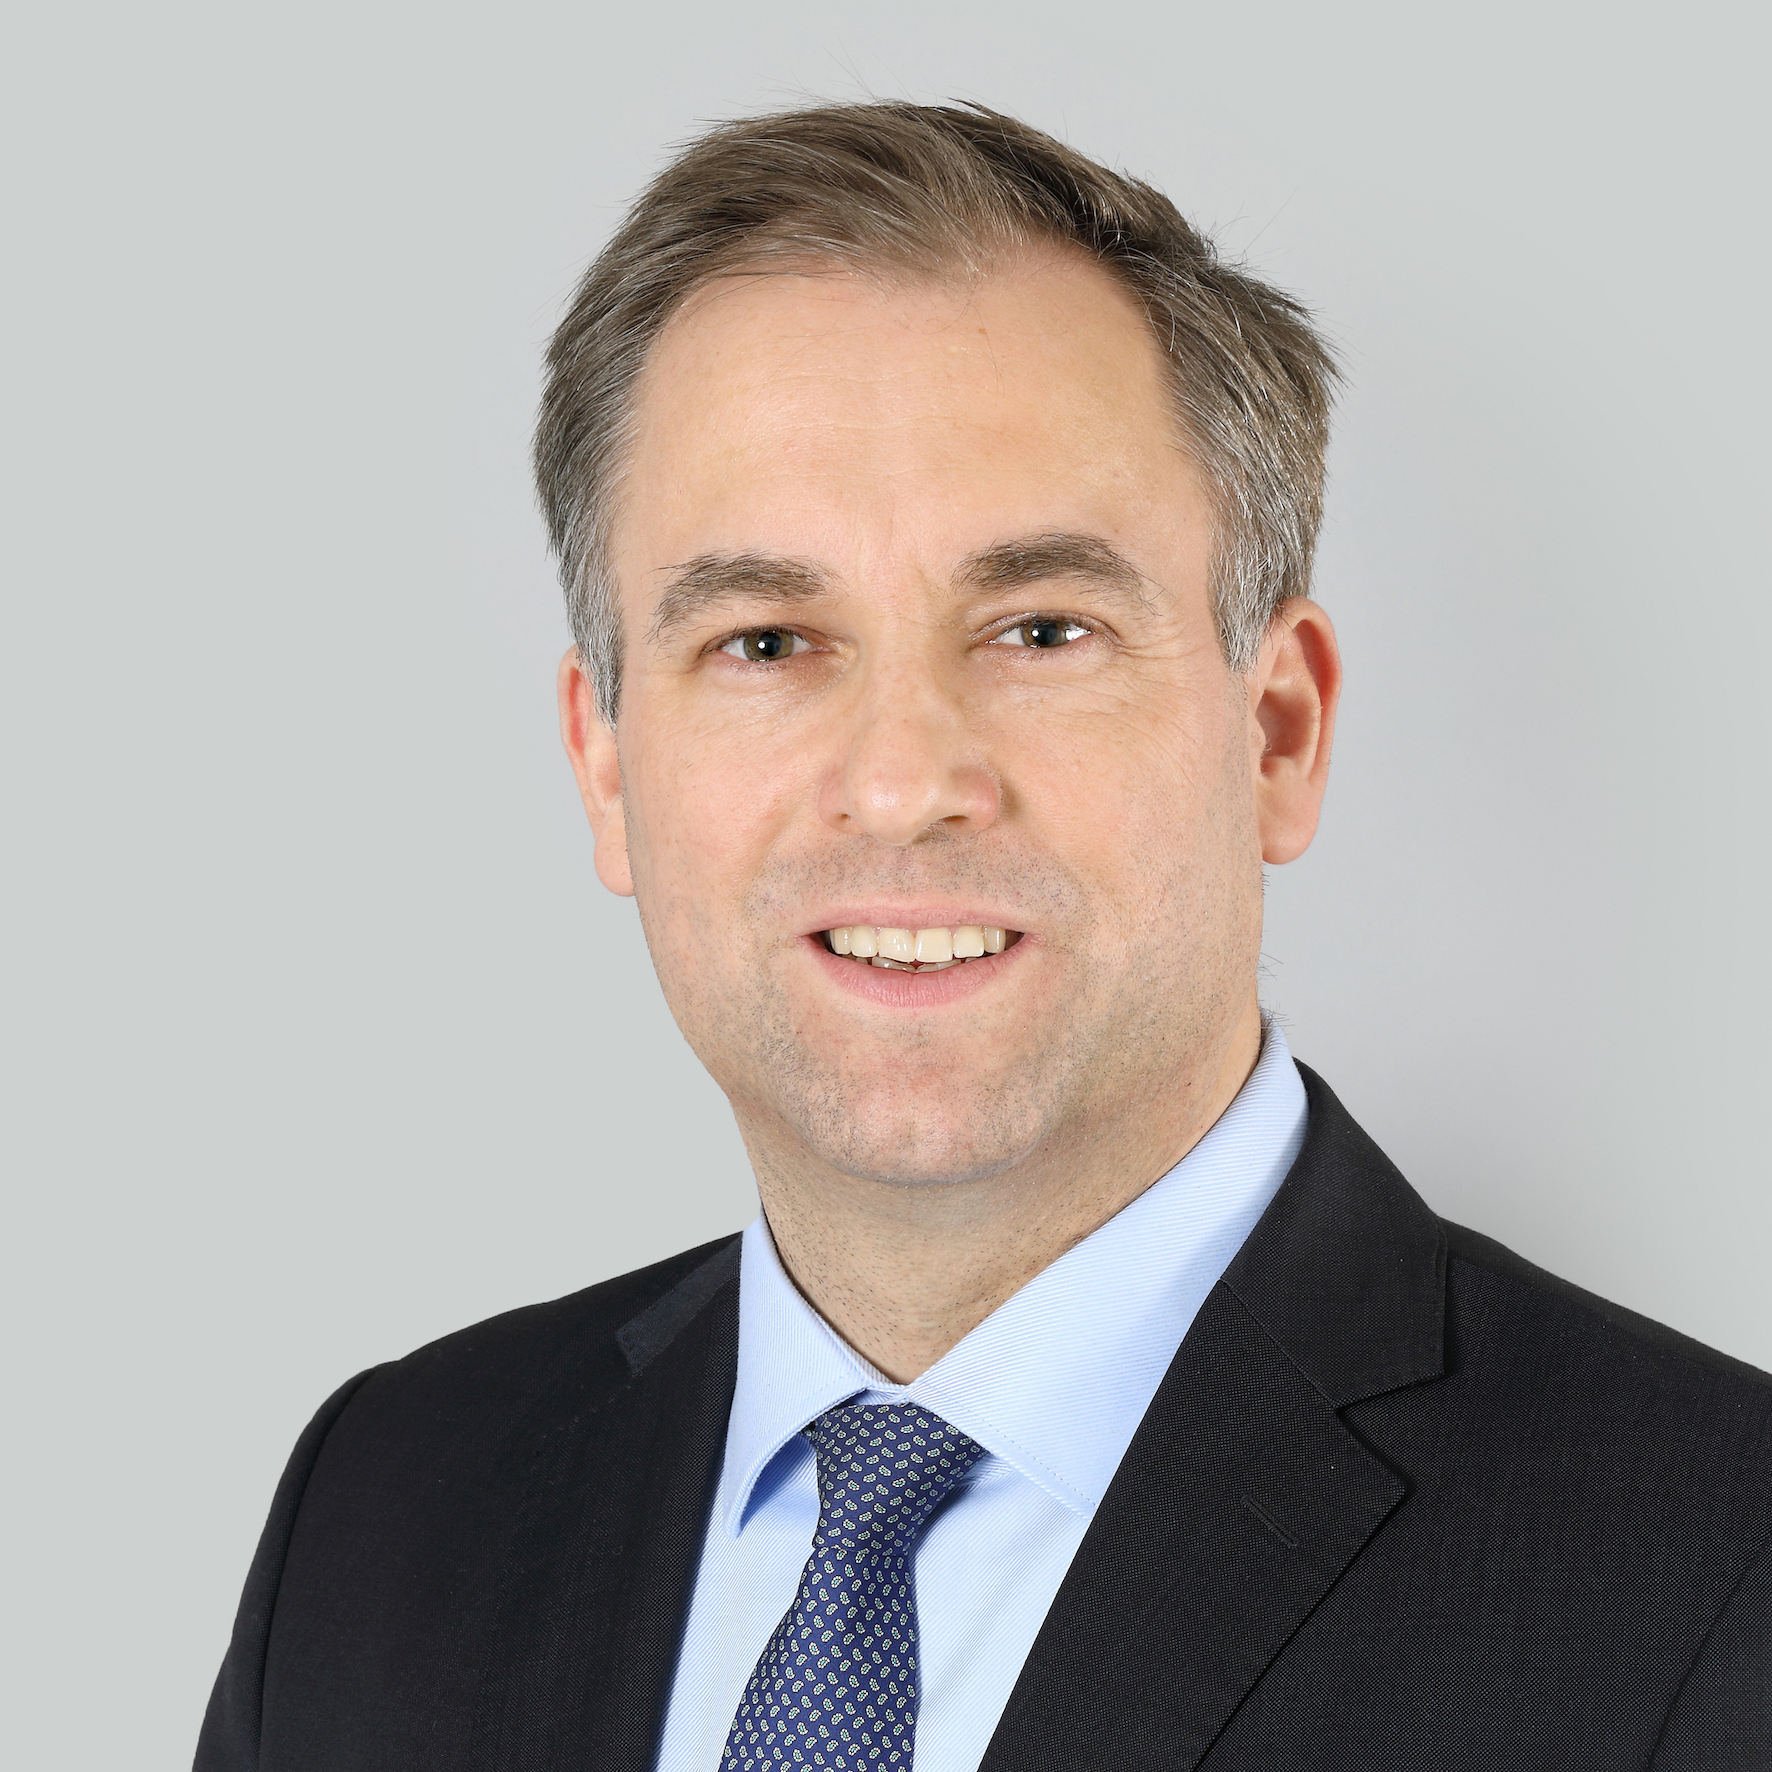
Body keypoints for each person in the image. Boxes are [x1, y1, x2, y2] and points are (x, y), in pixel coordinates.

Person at [195, 102, 1770, 1772]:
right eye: (767, 641)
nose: (901, 783)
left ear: (1279, 732)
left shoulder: (1721, 1572)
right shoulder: (386, 1507)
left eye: (1040, 627)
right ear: (607, 765)